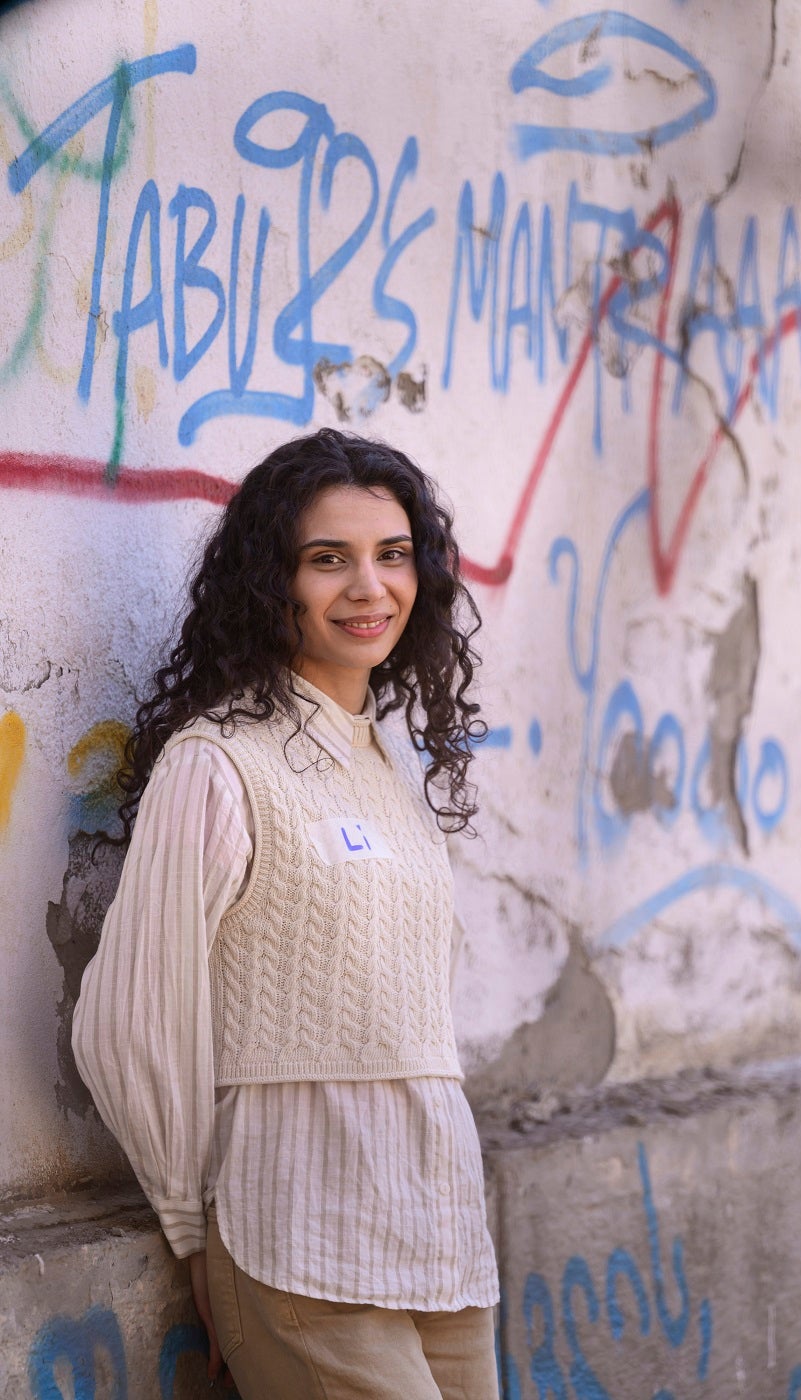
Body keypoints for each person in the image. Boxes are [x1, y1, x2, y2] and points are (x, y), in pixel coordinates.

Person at [72, 429, 500, 1399]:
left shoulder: (387, 765)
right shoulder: (220, 762)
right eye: (327, 558)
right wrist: (190, 1226)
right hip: (300, 1235)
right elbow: (128, 1020)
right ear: (273, 580)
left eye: (393, 555)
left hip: (442, 1237)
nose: (369, 586)